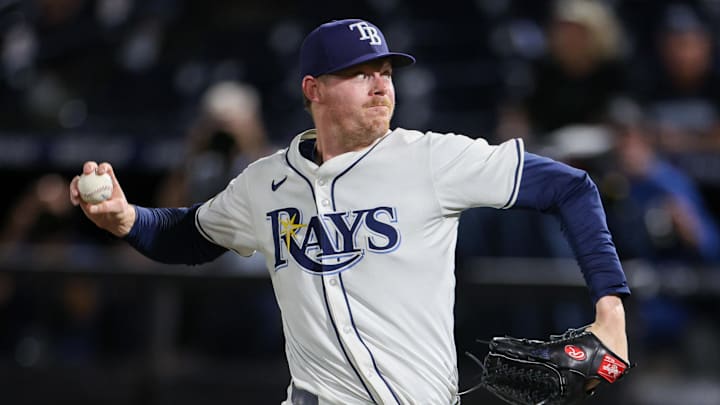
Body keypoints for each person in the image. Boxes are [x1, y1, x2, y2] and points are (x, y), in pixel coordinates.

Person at [70, 19, 630, 404]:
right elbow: (190, 234)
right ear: (314, 89)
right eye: (361, 72)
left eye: (386, 71)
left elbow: (572, 188)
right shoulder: (266, 182)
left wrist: (612, 314)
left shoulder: (433, 159)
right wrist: (126, 219)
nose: (380, 84)